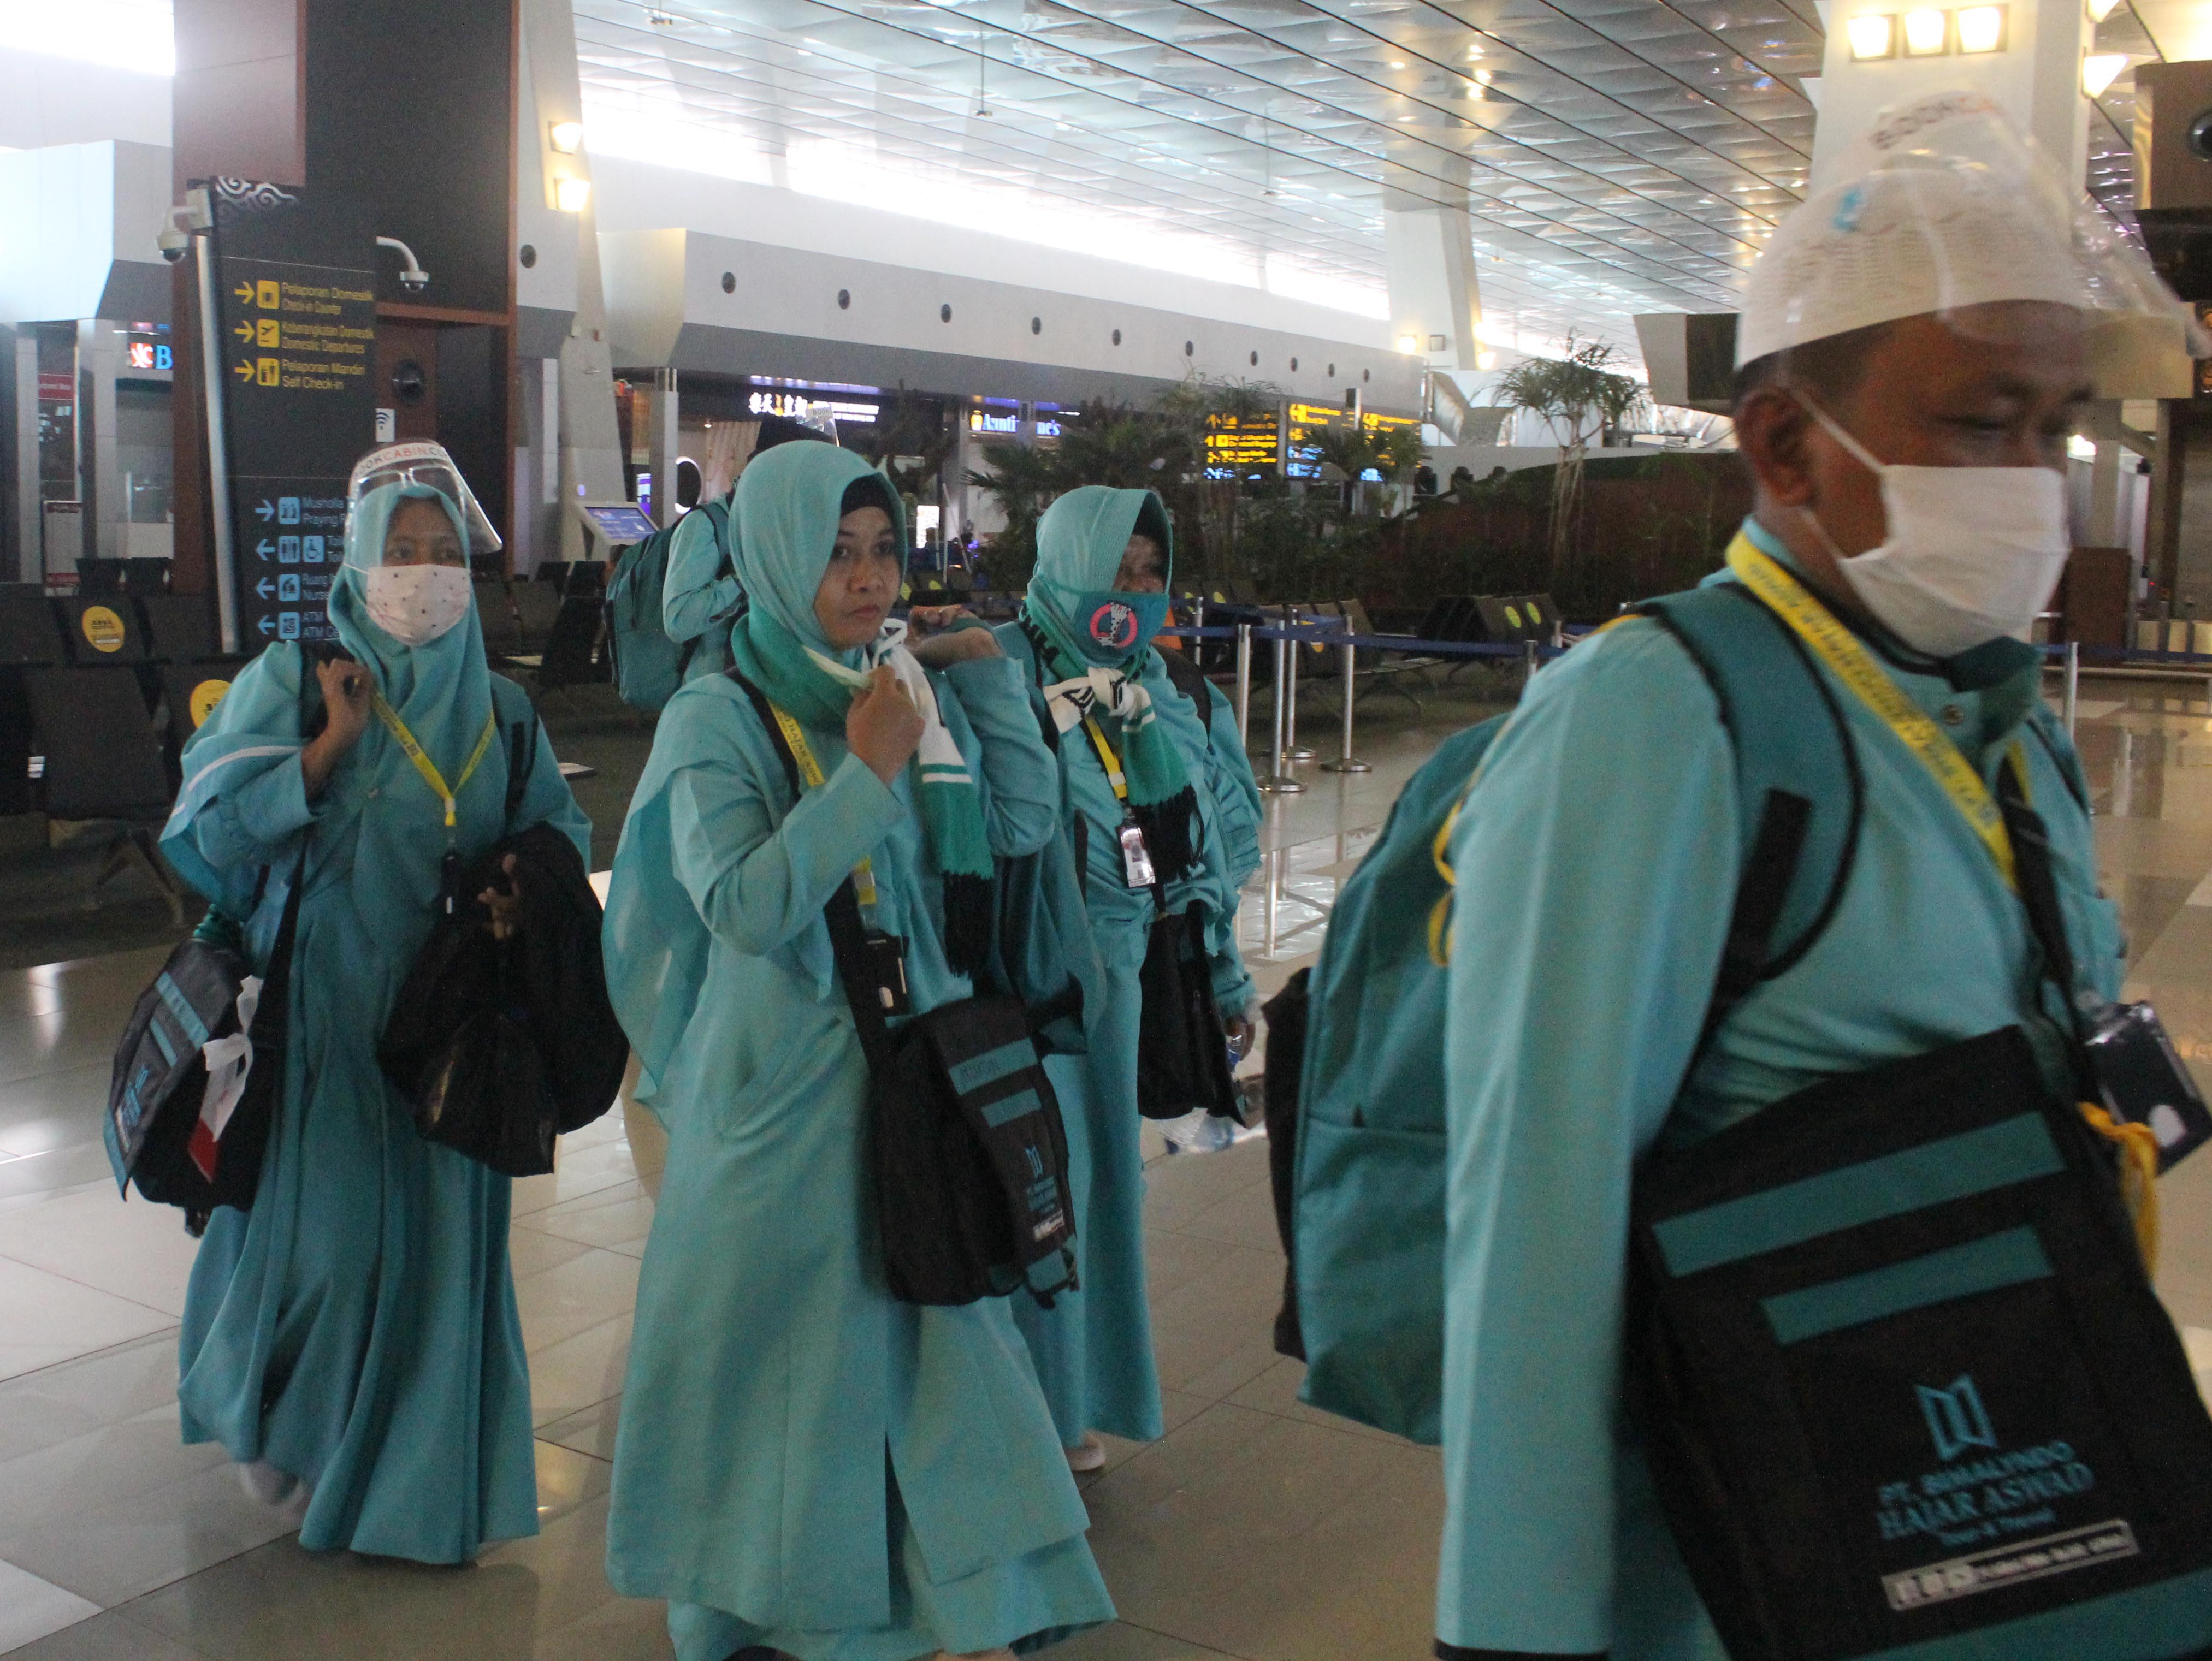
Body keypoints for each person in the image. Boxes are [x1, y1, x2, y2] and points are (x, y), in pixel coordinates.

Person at [1430, 102, 2189, 1659]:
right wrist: (1511, 1629)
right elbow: (1532, 1219)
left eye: (2053, 426)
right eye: (1985, 423)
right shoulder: (1658, 717)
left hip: (1983, 1486)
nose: (2036, 478)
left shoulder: (1988, 711)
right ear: (1784, 445)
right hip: (1757, 1557)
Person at [602, 441, 1113, 1661]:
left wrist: (975, 691)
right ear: (778, 556)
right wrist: (867, 767)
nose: (868, 577)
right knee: (791, 1369)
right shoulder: (715, 717)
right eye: (837, 551)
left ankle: (990, 1591)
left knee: (934, 1336)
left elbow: (1014, 831)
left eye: (884, 549)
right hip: (778, 1095)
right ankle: (761, 1599)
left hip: (912, 1068)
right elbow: (740, 906)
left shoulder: (894, 687)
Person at [158, 446, 590, 1562]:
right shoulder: (298, 678)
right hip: (326, 1021)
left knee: (442, 1260)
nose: (425, 573)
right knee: (323, 1250)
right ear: (359, 560)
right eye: (402, 552)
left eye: (444, 554)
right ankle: (279, 1420)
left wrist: (518, 891)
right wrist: (325, 751)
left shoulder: (499, 707)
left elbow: (561, 838)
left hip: (453, 1028)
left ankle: (407, 1486)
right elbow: (206, 833)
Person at [993, 486, 1263, 1469]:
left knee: (1108, 1189)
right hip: (1034, 991)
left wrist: (1225, 977)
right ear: (1064, 563)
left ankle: (1081, 1395)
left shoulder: (1180, 691)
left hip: (1139, 974)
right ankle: (1027, 1403)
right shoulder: (1001, 669)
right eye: (1114, 570)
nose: (1134, 592)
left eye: (1151, 572)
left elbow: (1214, 844)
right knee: (1038, 1188)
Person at [662, 414, 830, 683]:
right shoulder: (707, 525)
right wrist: (745, 579)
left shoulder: (792, 529)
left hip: (779, 692)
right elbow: (679, 621)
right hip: (716, 695)